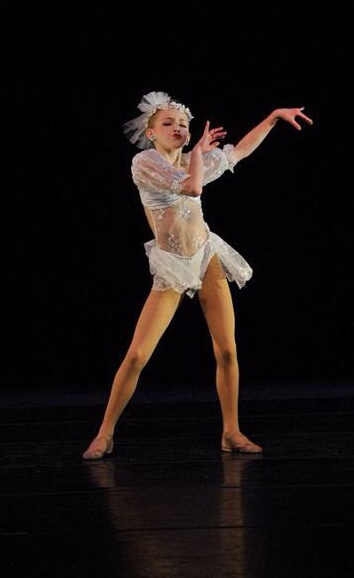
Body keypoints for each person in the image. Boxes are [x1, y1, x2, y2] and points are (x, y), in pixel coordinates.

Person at [82, 91, 313, 459]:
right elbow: (191, 187)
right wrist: (198, 158)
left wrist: (271, 118)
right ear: (152, 132)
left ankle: (231, 432)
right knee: (138, 355)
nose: (178, 128)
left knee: (227, 349)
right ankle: (105, 433)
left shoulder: (193, 160)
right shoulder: (144, 162)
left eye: (183, 124)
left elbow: (238, 152)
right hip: (173, 265)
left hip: (206, 256)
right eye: (168, 123)